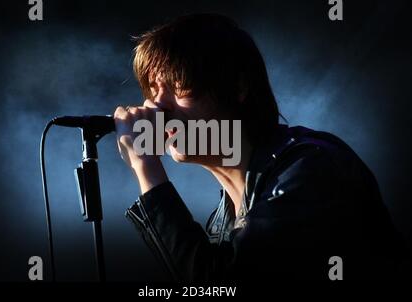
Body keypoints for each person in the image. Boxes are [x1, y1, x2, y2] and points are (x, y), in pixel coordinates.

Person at [113, 14, 408, 280]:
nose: (156, 105)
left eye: (178, 86)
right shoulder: (225, 217)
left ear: (238, 88)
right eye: (152, 90)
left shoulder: (310, 170)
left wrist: (147, 168)